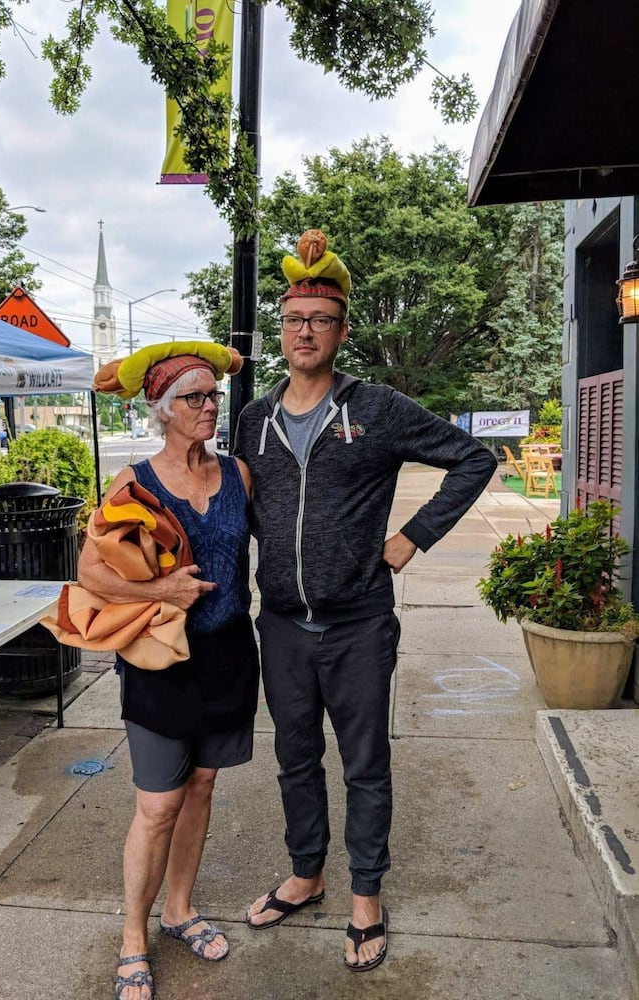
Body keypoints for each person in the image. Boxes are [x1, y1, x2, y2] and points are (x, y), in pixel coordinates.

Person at [234, 229, 497, 971]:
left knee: (363, 765)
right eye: (293, 319)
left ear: (342, 331)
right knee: (292, 759)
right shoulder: (253, 420)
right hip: (281, 624)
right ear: (280, 330)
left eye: (320, 318)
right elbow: (234, 506)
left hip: (356, 625)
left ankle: (365, 899)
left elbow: (472, 458)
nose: (305, 330)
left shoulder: (374, 408)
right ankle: (306, 874)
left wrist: (412, 536)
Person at [79, 343, 259, 1000]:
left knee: (203, 786)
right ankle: (134, 935)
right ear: (162, 410)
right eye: (194, 398)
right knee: (157, 805)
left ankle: (178, 909)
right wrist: (158, 593)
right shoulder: (134, 484)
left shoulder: (238, 475)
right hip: (162, 663)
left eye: (213, 395)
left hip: (231, 656)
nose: (209, 406)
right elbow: (91, 574)